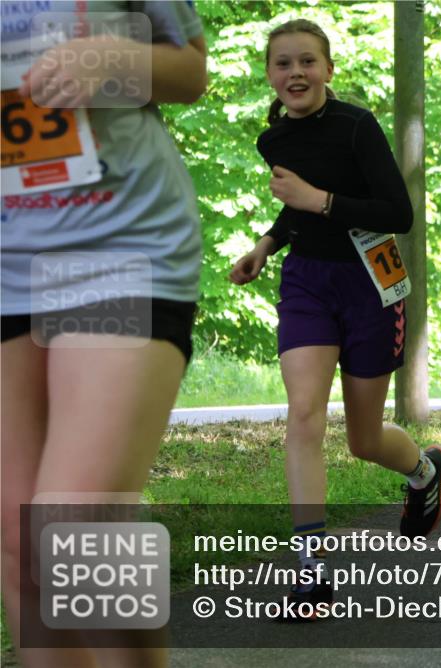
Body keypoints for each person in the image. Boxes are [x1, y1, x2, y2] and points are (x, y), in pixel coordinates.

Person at [1, 2, 207, 665]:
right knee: (18, 545)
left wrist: (113, 60)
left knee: (72, 529)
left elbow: (190, 71)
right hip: (5, 268)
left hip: (117, 250)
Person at [229, 19, 441, 617]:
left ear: (328, 69)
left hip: (370, 282)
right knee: (303, 414)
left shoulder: (357, 125)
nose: (295, 72)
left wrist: (319, 201)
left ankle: (423, 471)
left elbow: (397, 213)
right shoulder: (273, 139)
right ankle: (312, 570)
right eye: (282, 63)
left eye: (307, 61)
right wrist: (267, 244)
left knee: (363, 439)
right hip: (307, 282)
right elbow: (296, 209)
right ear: (269, 75)